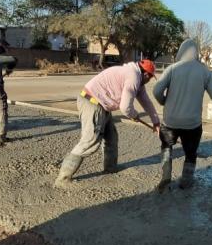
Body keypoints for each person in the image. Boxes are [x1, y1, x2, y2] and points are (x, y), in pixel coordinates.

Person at [54, 59, 161, 188]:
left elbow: (146, 102)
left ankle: (110, 168)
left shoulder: (137, 79)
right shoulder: (133, 76)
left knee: (111, 136)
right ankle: (63, 178)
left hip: (102, 105)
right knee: (89, 141)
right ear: (146, 74)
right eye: (150, 77)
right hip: (92, 102)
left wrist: (156, 122)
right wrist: (134, 115)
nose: (149, 80)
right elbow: (125, 107)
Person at [152, 39, 212, 191]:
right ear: (196, 53)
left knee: (167, 148)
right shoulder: (204, 71)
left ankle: (165, 178)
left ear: (181, 51)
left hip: (170, 121)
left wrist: (164, 101)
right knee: (190, 153)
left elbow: (156, 91)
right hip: (192, 124)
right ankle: (186, 181)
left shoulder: (172, 69)